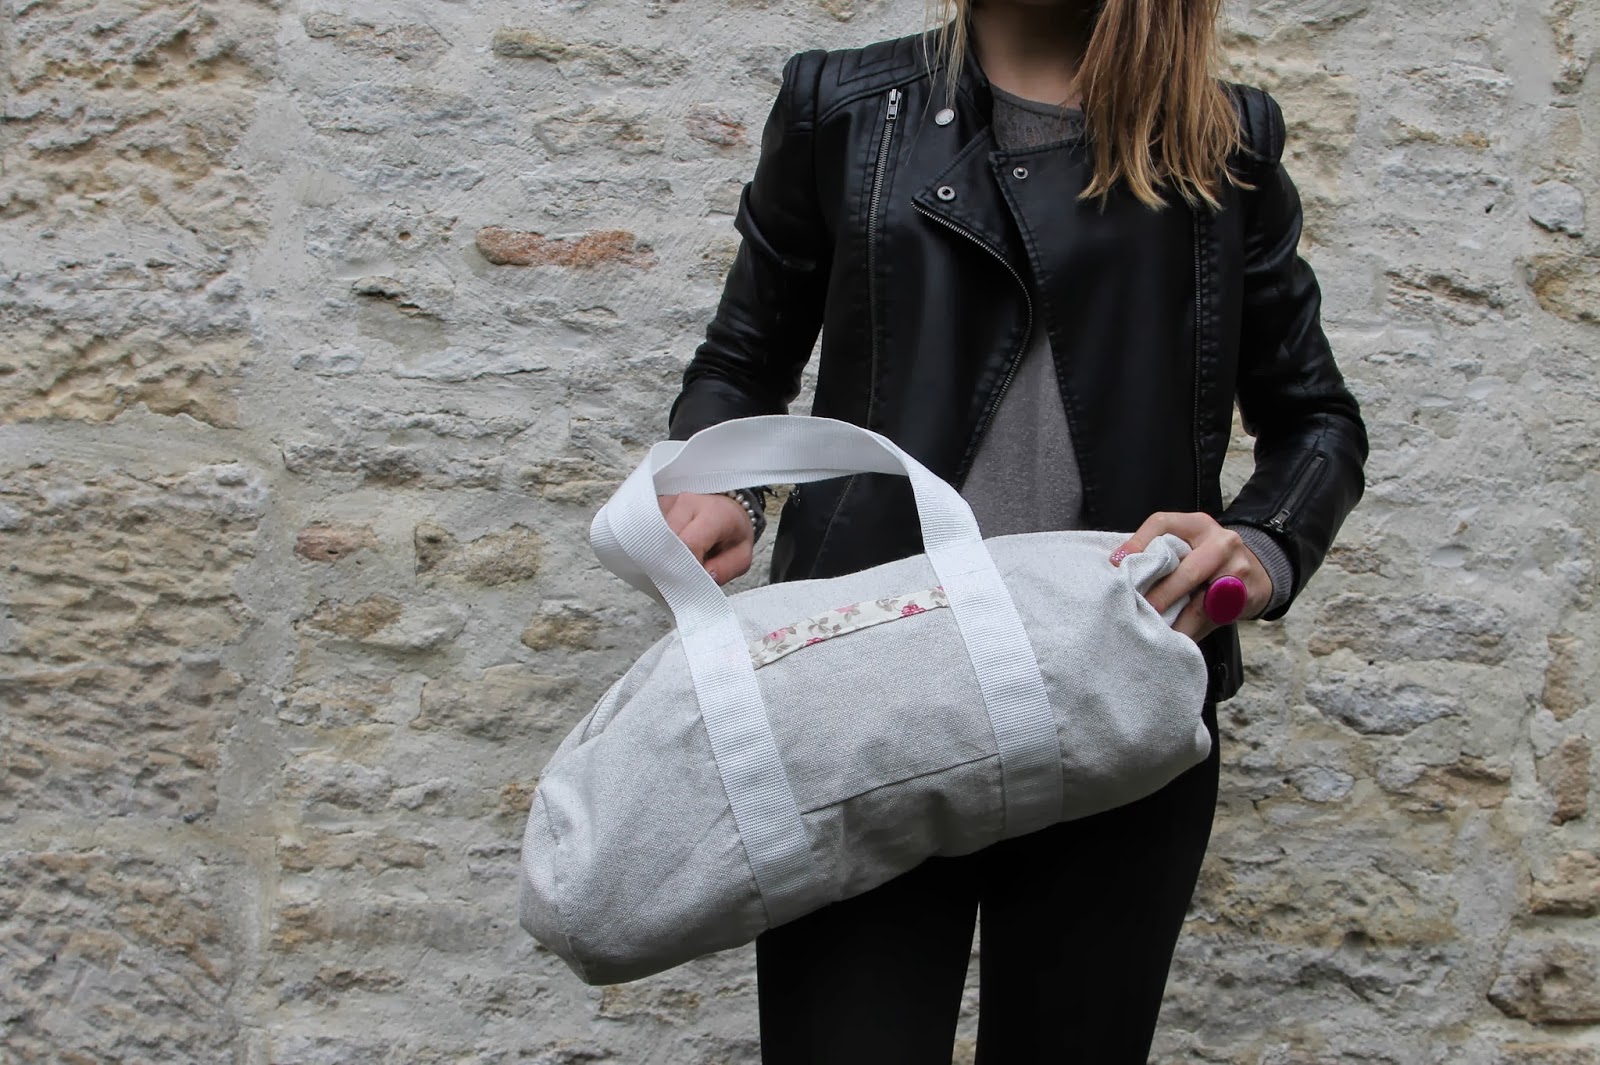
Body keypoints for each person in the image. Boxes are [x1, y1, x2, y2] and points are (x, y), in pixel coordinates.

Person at [658, 0, 1368, 1059]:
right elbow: (741, 360)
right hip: (863, 696)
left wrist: (1259, 548)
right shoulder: (843, 107)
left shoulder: (1224, 142)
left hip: (1118, 697)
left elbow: (1316, 420)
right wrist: (725, 487)